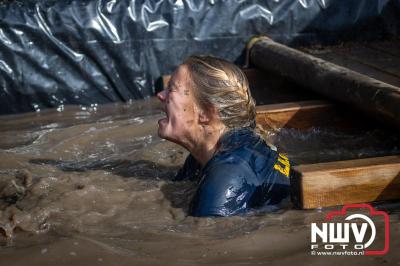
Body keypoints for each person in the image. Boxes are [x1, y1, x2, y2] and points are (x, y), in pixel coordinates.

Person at [157, 55, 290, 217]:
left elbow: (204, 236)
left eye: (171, 89)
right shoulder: (199, 159)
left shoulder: (228, 171)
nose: (160, 95)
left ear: (205, 113)